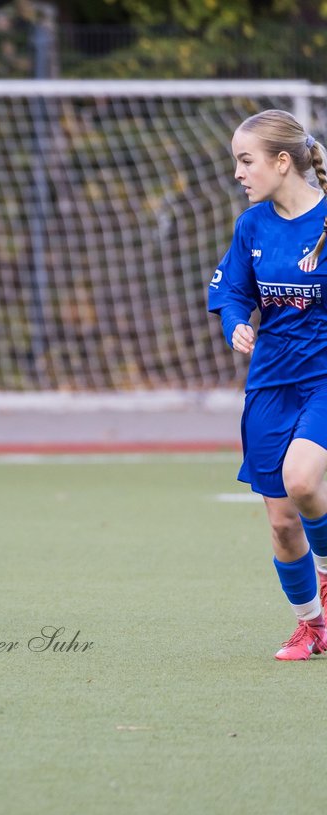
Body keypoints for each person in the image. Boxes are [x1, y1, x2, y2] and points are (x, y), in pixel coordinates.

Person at [209, 108, 327, 660]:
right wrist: (236, 323)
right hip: (270, 385)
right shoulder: (252, 225)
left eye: (246, 160)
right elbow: (232, 290)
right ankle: (311, 624)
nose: (238, 172)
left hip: (323, 381)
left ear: (283, 162)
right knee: (282, 525)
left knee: (302, 481)